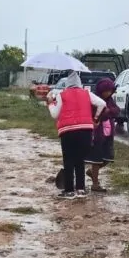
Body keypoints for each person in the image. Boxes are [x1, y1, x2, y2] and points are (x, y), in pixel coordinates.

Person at [47, 71, 105, 199]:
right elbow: (102, 104)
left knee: (68, 160)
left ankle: (69, 191)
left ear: (67, 84)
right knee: (80, 160)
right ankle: (80, 190)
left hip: (68, 131)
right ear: (80, 83)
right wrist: (95, 119)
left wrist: (50, 102)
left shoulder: (62, 95)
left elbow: (54, 114)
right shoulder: (87, 93)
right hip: (86, 131)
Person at [86, 78, 119, 192]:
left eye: (110, 91)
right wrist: (102, 113)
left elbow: (116, 111)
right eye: (106, 91)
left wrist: (109, 111)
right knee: (96, 159)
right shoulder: (94, 100)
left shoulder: (110, 100)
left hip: (108, 134)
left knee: (108, 157)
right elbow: (93, 114)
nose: (108, 93)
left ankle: (92, 172)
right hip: (97, 134)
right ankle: (95, 184)